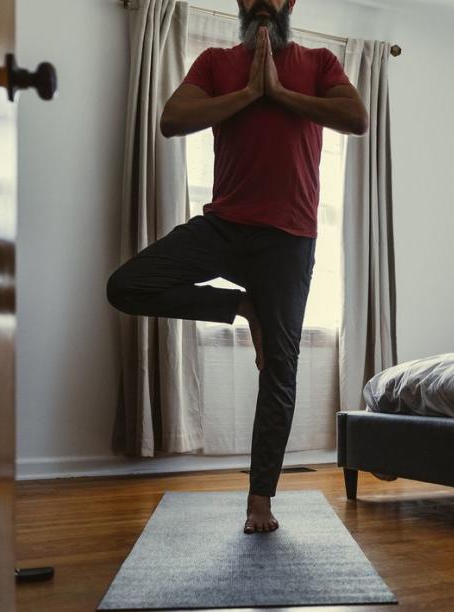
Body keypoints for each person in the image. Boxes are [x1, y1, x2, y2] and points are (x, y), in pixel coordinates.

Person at [107, 0, 368, 534]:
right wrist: (249, 93)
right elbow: (171, 121)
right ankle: (238, 305)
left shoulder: (319, 63)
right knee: (127, 285)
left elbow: (357, 119)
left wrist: (279, 93)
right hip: (224, 226)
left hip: (289, 240)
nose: (262, 2)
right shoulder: (214, 63)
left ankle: (260, 500)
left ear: (291, 3)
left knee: (280, 371)